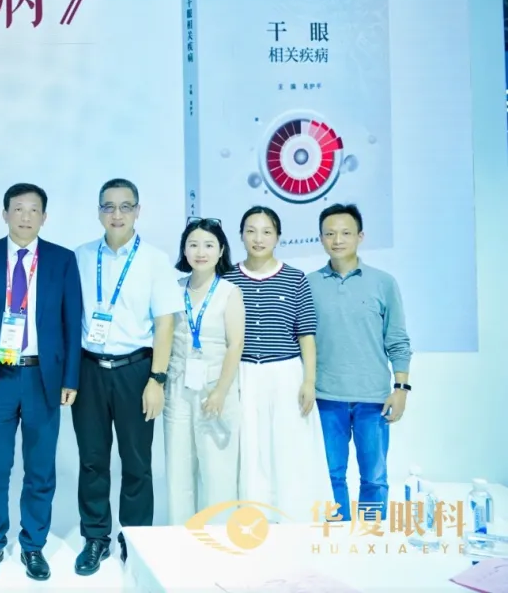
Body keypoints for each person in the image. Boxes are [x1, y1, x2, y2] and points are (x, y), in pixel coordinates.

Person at [0, 183, 81, 582]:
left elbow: (72, 322)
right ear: (5, 214)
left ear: (44, 217)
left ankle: (33, 545)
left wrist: (70, 377)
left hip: (42, 377)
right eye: (18, 209)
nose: (25, 216)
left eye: (34, 210)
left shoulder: (62, 260)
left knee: (40, 470)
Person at [71, 179, 181, 575]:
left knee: (136, 462)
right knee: (92, 460)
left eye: (125, 206)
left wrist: (157, 379)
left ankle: (135, 539)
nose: (116, 214)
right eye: (109, 206)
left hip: (135, 370)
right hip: (88, 370)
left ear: (138, 211)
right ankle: (95, 537)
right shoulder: (81, 257)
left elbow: (165, 324)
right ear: (99, 211)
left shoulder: (155, 259)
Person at [222, 206, 331, 521]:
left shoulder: (295, 279)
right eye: (251, 231)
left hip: (285, 373)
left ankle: (293, 515)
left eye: (266, 231)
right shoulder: (227, 278)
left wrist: (309, 381)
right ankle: (253, 516)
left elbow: (306, 334)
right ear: (241, 235)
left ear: (278, 237)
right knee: (249, 446)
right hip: (242, 373)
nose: (258, 238)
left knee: (288, 444)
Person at [308, 203, 412, 522]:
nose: (337, 240)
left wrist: (401, 388)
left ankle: (371, 538)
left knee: (374, 478)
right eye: (330, 234)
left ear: (360, 236)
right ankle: (337, 539)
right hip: (325, 397)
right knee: (330, 476)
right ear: (321, 238)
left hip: (373, 398)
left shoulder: (383, 283)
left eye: (346, 233)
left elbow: (397, 340)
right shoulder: (308, 284)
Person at [164, 217, 243, 525]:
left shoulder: (229, 291)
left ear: (221, 250)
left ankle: (218, 536)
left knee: (217, 467)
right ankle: (181, 535)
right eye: (193, 244)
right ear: (184, 250)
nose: (201, 252)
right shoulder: (173, 289)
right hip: (178, 386)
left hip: (215, 387)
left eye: (209, 245)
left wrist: (221, 392)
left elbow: (235, 345)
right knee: (178, 466)